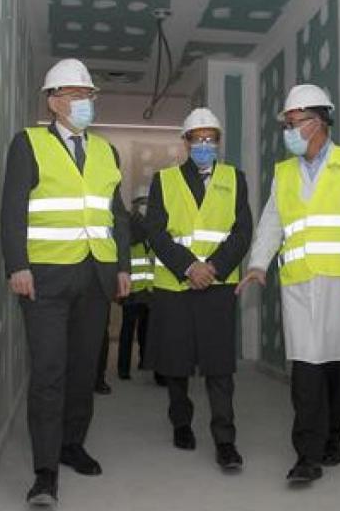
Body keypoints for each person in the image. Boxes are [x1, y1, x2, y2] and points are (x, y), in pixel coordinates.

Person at [235, 84, 340, 484]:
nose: (288, 130)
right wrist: (259, 263)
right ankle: (307, 455)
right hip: (300, 283)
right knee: (306, 369)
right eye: (286, 123)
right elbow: (272, 221)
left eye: (293, 123)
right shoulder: (284, 173)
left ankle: (333, 435)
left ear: (318, 122)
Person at [0, 58, 131, 507]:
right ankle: (44, 470)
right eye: (74, 96)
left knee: (82, 370)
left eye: (88, 96)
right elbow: (12, 210)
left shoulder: (106, 151)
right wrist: (17, 265)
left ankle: (72, 444)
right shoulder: (29, 144)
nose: (83, 104)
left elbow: (117, 215)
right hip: (45, 278)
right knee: (50, 371)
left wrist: (123, 267)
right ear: (53, 101)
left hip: (95, 275)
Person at [144, 107, 253, 471]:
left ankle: (226, 440)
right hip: (176, 285)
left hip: (218, 286)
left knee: (219, 366)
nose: (205, 144)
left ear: (218, 142)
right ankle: (181, 422)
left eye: (211, 138)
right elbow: (156, 232)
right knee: (176, 363)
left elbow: (242, 232)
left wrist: (215, 268)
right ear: (186, 142)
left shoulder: (236, 179)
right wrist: (189, 266)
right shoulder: (165, 180)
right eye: (198, 138)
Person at [117, 195, 160, 383]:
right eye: (142, 205)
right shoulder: (131, 227)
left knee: (147, 328)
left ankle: (144, 361)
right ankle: (123, 368)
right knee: (128, 329)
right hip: (133, 287)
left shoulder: (156, 226)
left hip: (150, 288)